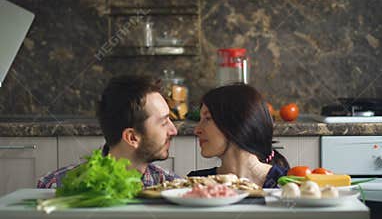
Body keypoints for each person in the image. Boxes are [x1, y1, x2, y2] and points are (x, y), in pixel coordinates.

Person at [37, 75, 179, 188]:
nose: (174, 131)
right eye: (164, 123)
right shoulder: (55, 186)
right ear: (132, 138)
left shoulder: (174, 187)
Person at [188, 83, 290, 188]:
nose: (197, 130)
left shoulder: (288, 183)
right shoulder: (196, 183)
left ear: (237, 123)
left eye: (208, 118)